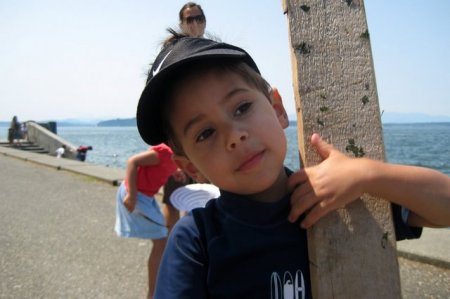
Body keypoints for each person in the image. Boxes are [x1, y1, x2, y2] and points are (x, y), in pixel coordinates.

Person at [135, 37, 450, 298]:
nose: (234, 136)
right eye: (205, 133)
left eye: (242, 107)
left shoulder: (339, 196)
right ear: (191, 167)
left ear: (278, 109)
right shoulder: (197, 239)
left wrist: (366, 174)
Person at [114, 143, 183, 299]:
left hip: (146, 196)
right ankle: (153, 292)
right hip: (138, 196)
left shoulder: (174, 157)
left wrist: (175, 172)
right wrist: (131, 194)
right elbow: (132, 161)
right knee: (161, 241)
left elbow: (163, 167)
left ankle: (156, 287)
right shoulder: (165, 152)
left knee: (162, 240)